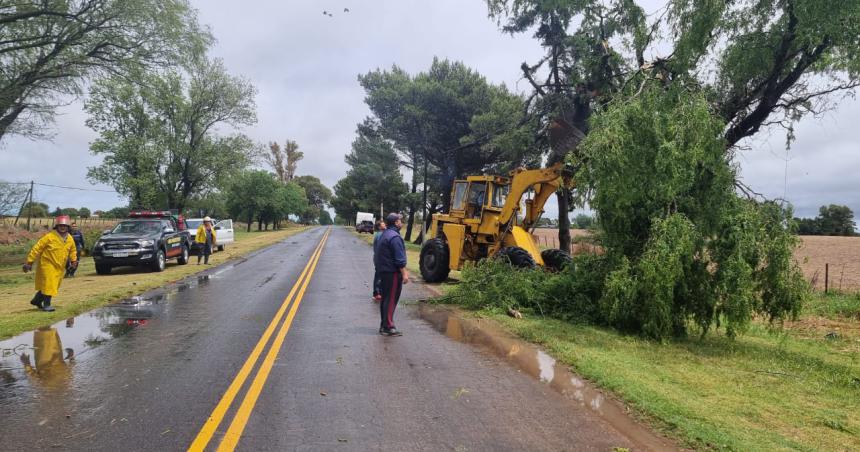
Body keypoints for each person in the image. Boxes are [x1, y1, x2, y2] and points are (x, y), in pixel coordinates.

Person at [23, 215, 78, 312]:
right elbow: (37, 248)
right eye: (60, 225)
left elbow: (73, 250)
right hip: (47, 264)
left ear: (68, 227)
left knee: (53, 284)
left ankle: (36, 300)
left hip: (60, 266)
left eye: (65, 226)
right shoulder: (49, 237)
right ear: (56, 226)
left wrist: (74, 261)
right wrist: (29, 262)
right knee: (50, 283)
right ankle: (47, 305)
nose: (62, 227)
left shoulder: (70, 238)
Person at [373, 213, 408, 336]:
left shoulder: (384, 234)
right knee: (391, 299)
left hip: (383, 271)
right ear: (396, 222)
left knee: (385, 299)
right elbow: (399, 259)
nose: (401, 222)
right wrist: (404, 274)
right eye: (400, 220)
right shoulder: (395, 237)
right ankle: (388, 326)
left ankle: (384, 325)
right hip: (392, 272)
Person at [371, 219, 387, 302]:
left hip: (377, 258)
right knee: (379, 276)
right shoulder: (381, 235)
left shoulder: (380, 234)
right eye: (383, 224)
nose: (385, 225)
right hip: (380, 259)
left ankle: (378, 292)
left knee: (379, 275)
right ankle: (377, 293)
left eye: (384, 224)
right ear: (379, 227)